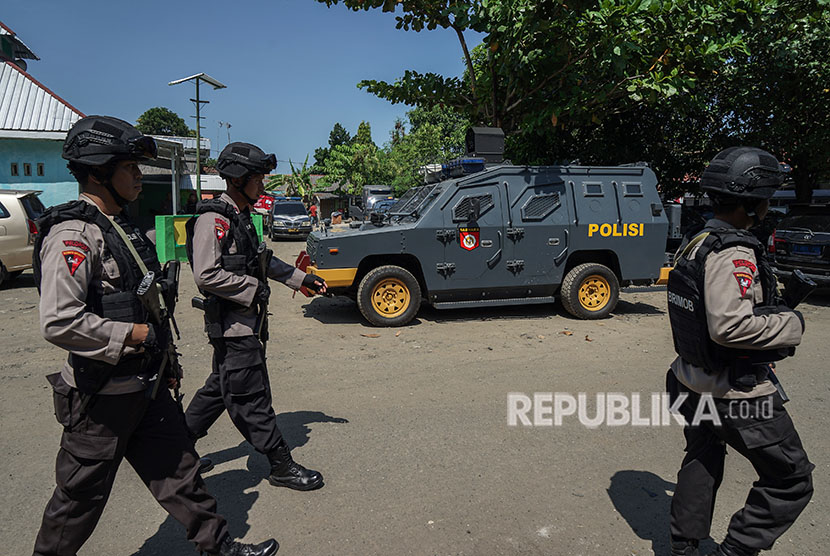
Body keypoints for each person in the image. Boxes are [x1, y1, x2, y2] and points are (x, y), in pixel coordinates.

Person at [32, 116, 278, 556]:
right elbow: (59, 320)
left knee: (182, 474)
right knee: (76, 503)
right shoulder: (73, 235)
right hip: (100, 398)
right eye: (129, 168)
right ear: (96, 172)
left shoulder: (121, 228)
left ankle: (218, 547)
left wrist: (165, 363)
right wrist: (133, 333)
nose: (139, 177)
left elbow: (149, 301)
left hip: (145, 386)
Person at [665, 147, 813, 556]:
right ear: (753, 204)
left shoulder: (697, 240)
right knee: (791, 479)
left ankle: (684, 545)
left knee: (703, 457)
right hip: (735, 395)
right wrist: (790, 324)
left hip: (687, 380)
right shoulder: (733, 251)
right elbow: (730, 326)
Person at [185, 142, 328, 491]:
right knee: (253, 398)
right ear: (238, 180)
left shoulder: (243, 217)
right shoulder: (213, 220)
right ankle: (281, 465)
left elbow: (266, 262)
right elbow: (206, 274)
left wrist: (302, 279)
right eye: (258, 179)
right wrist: (253, 289)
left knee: (219, 388)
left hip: (248, 325)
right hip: (233, 327)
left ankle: (174, 452)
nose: (263, 185)